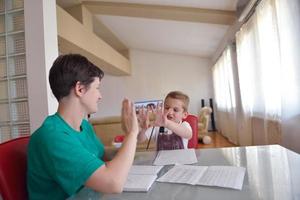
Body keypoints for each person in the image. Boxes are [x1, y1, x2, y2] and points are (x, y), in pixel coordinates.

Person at [27, 54, 139, 200]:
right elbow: (114, 183)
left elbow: (102, 155)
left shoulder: (84, 126)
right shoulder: (52, 137)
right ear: (79, 89)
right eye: (97, 88)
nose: (100, 96)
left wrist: (134, 137)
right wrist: (132, 133)